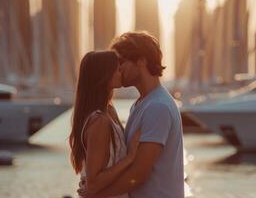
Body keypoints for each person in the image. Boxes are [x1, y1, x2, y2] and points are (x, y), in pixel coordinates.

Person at [79, 31, 185, 198]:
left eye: (121, 62)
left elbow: (139, 174)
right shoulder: (140, 105)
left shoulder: (157, 107)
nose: (118, 68)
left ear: (141, 61)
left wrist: (97, 194)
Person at [69, 51, 141, 198]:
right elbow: (94, 183)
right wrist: (131, 157)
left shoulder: (109, 111)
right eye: (116, 68)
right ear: (104, 75)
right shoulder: (99, 121)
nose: (120, 70)